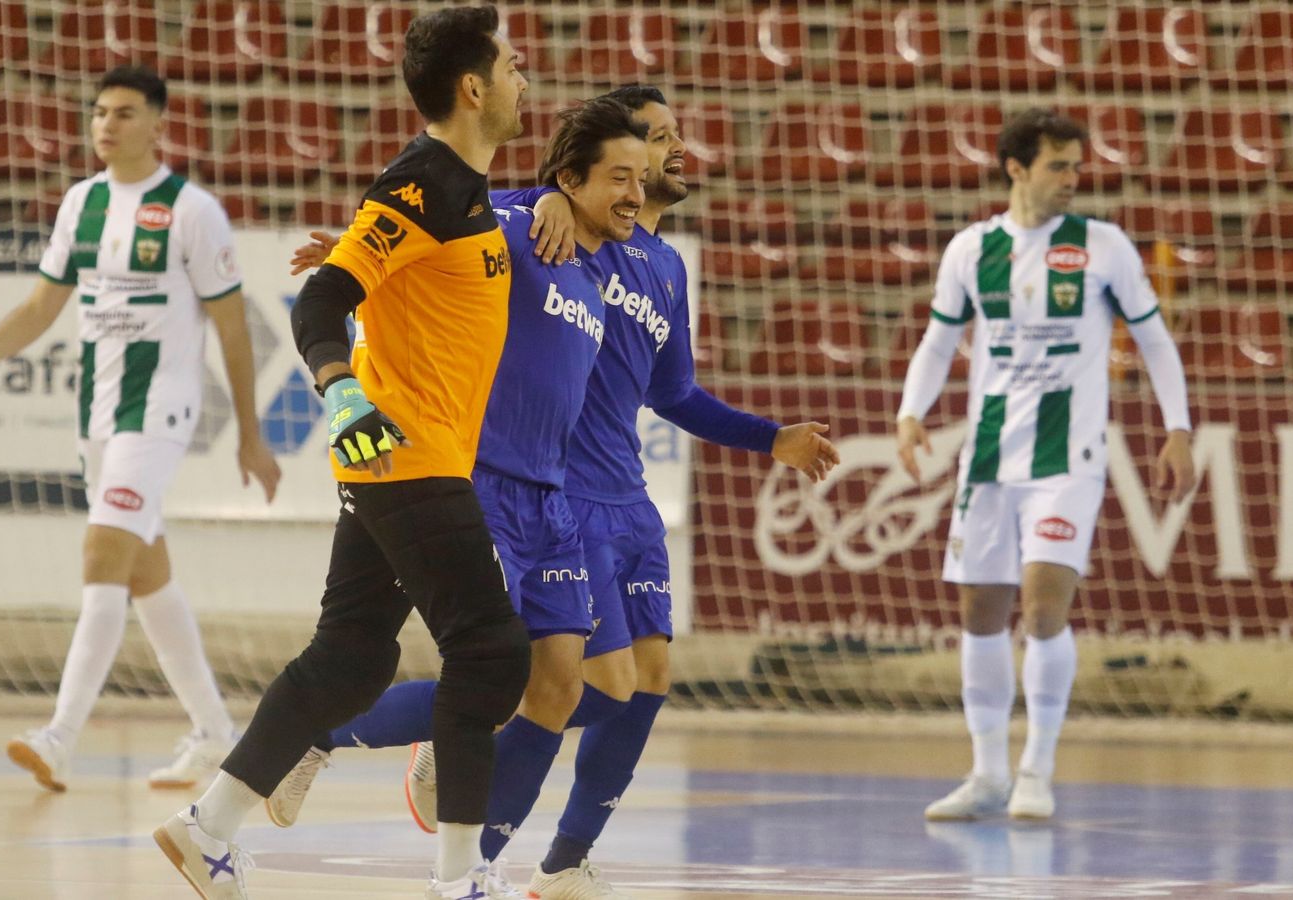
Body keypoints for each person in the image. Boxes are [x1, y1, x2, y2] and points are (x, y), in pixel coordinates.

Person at [281, 84, 840, 900]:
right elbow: (454, 226)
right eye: (656, 137)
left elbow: (674, 393)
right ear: (601, 167)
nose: (670, 151)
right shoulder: (550, 219)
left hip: (627, 497)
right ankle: (371, 763)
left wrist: (770, 437)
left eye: (677, 138)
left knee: (638, 679)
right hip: (551, 488)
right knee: (553, 680)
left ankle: (561, 858)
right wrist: (526, 199)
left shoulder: (666, 266)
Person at [152, 8, 533, 900]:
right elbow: (320, 303)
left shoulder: (469, 192)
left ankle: (206, 826)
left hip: (412, 456)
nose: (526, 80)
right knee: (490, 652)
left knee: (356, 659)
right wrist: (343, 388)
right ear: (474, 88)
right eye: (514, 66)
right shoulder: (420, 182)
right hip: (402, 450)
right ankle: (457, 881)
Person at [265, 98, 648, 899]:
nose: (641, 188)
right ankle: (327, 747)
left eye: (646, 175)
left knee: (591, 683)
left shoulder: (615, 265)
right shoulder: (517, 227)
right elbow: (436, 240)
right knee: (497, 668)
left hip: (555, 496)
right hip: (484, 478)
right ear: (571, 178)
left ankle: (454, 790)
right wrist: (534, 198)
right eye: (625, 174)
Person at [0, 65, 280, 793]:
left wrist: (250, 431)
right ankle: (216, 733)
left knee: (100, 551)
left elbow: (233, 329)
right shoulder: (80, 203)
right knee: (146, 573)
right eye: (98, 112)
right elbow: (39, 307)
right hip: (98, 409)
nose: (106, 125)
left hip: (161, 409)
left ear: (158, 124)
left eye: (123, 113)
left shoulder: (193, 211)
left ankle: (59, 736)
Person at [897, 108, 1196, 823]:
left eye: (1077, 165)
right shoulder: (971, 249)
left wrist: (1178, 427)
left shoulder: (1103, 245)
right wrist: (912, 412)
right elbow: (940, 343)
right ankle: (987, 773)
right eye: (1059, 165)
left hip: (1070, 458)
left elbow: (1154, 341)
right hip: (989, 457)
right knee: (978, 613)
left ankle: (1037, 770)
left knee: (1041, 609)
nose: (1073, 178)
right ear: (1016, 168)